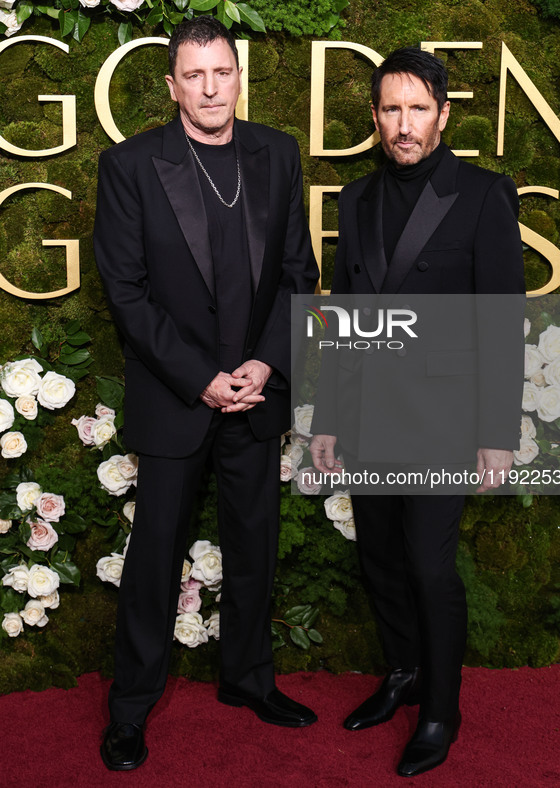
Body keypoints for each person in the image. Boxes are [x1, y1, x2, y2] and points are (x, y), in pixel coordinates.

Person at [93, 16, 319, 771]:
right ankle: (130, 709)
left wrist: (265, 362)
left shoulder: (277, 154)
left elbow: (298, 274)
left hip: (254, 397)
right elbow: (126, 294)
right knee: (154, 556)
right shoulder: (130, 165)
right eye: (194, 75)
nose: (210, 86)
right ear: (172, 86)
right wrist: (199, 377)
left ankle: (248, 680)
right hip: (175, 399)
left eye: (221, 71)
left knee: (254, 547)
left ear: (237, 74)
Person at [310, 47, 524, 778]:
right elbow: (340, 318)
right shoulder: (356, 199)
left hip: (442, 418)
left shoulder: (481, 193)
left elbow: (500, 324)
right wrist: (328, 419)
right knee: (380, 560)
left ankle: (440, 707)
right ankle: (400, 672)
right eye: (391, 110)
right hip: (370, 416)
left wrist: (496, 433)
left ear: (442, 113)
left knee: (430, 567)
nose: (404, 125)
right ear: (375, 118)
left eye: (417, 109)